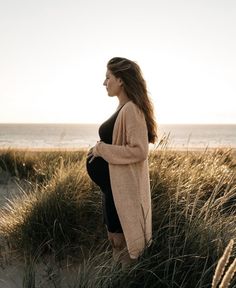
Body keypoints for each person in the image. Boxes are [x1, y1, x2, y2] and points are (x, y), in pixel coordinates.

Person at [86, 57, 157, 267]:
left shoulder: (132, 110)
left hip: (122, 193)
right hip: (112, 190)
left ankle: (124, 281)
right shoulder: (122, 108)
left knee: (122, 246)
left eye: (108, 77)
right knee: (116, 244)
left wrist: (100, 149)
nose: (104, 82)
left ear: (121, 80)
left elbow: (139, 151)